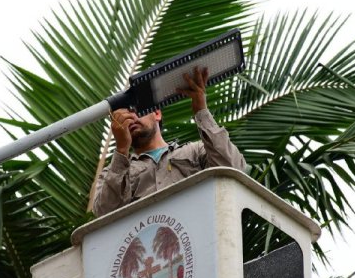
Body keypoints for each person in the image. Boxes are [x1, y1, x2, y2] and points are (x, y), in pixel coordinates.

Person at [93, 66, 246, 217]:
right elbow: (105, 215)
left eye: (135, 109)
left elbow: (233, 169)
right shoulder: (111, 172)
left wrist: (201, 111)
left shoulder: (195, 151)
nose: (131, 118)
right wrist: (121, 149)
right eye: (122, 117)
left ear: (157, 113)